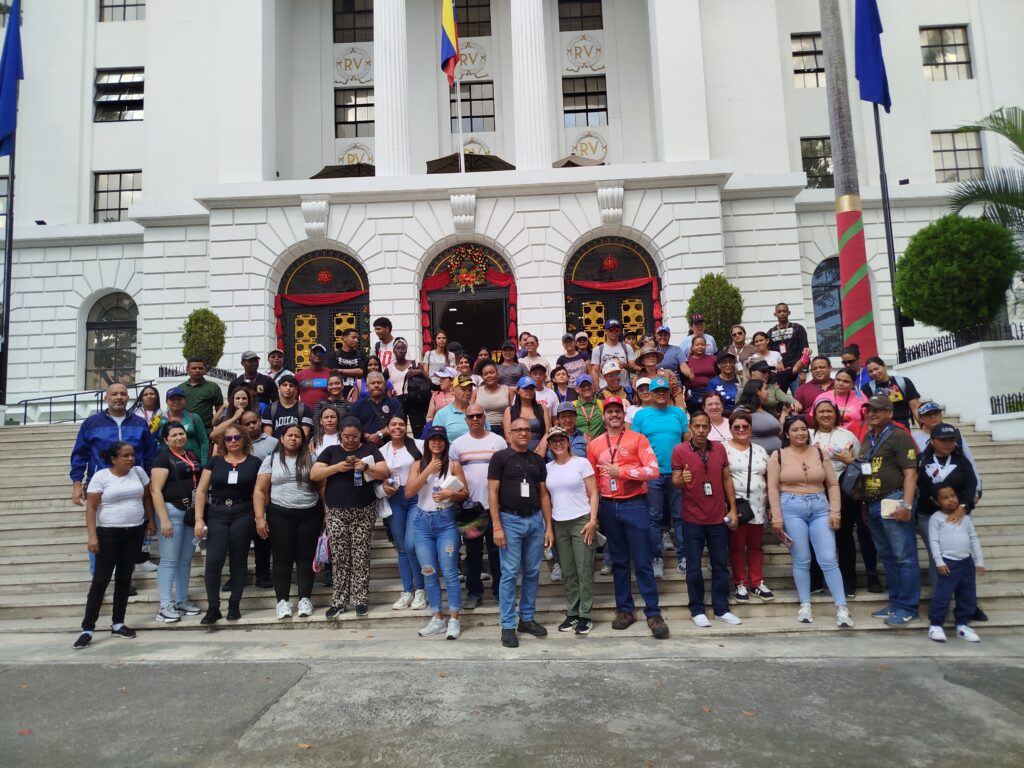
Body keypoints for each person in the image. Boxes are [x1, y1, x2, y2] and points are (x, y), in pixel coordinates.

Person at [589, 397, 669, 638]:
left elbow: (653, 470)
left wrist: (622, 471)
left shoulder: (638, 438)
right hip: (608, 507)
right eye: (609, 411)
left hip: (635, 504)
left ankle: (653, 612)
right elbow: (592, 483)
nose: (614, 415)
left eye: (617, 411)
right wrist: (594, 513)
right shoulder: (595, 444)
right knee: (619, 562)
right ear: (604, 416)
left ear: (623, 414)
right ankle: (624, 610)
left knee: (643, 561)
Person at [767, 415, 851, 626]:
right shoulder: (778, 455)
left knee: (828, 558)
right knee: (802, 559)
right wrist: (777, 517)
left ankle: (842, 607)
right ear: (787, 434)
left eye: (804, 429)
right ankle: (805, 604)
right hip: (791, 507)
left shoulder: (820, 453)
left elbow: (832, 484)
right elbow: (772, 487)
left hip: (820, 506)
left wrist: (835, 512)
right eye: (795, 430)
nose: (800, 433)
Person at [71, 383, 159, 581]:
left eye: (123, 394)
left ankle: (125, 579)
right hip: (101, 485)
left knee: (131, 531)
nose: (119, 397)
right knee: (100, 531)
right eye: (114, 394)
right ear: (106, 398)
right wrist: (77, 483)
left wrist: (150, 481)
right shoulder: (92, 423)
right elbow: (80, 453)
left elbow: (149, 454)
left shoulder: (139, 423)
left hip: (133, 485)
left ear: (128, 398)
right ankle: (98, 580)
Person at [73, 442, 154, 649]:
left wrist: (150, 520)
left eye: (132, 455)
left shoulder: (138, 473)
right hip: (108, 533)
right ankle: (87, 628)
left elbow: (147, 497)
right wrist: (92, 536)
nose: (131, 458)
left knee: (124, 578)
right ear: (113, 459)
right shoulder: (101, 477)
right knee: (101, 580)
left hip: (134, 531)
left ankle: (118, 623)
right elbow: (91, 508)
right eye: (125, 456)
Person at [311, 415, 388, 618]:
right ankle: (339, 601)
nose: (351, 440)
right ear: (340, 435)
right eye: (346, 436)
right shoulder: (331, 451)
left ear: (360, 434)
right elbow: (314, 474)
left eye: (354, 436)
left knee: (361, 555)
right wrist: (337, 467)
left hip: (364, 510)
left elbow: (384, 472)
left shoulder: (370, 450)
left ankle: (360, 599)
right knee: (340, 557)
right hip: (336, 511)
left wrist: (366, 467)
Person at [672, 411, 742, 627]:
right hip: (692, 518)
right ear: (690, 428)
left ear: (710, 428)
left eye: (705, 426)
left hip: (717, 517)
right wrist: (682, 479)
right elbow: (675, 481)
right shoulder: (680, 450)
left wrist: (732, 509)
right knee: (694, 566)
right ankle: (697, 609)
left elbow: (727, 479)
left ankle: (721, 608)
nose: (701, 430)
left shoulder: (719, 448)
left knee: (720, 565)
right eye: (697, 426)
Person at [488, 417, 553, 648]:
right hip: (510, 521)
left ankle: (526, 619)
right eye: (519, 430)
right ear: (510, 433)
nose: (524, 433)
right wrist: (496, 525)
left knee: (533, 571)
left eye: (527, 429)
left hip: (534, 521)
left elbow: (543, 494)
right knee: (509, 573)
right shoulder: (500, 458)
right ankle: (508, 625)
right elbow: (492, 493)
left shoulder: (537, 459)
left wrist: (548, 527)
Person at [858, 395, 921, 626]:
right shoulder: (868, 438)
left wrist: (907, 504)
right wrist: (864, 505)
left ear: (890, 413)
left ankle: (908, 607)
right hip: (873, 502)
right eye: (868, 410)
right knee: (887, 556)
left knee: (903, 556)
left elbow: (910, 473)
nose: (871, 414)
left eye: (877, 410)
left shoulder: (899, 435)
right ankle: (896, 602)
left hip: (894, 499)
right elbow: (865, 471)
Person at [194, 424, 262, 624]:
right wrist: (199, 518)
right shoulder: (215, 462)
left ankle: (234, 605)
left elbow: (260, 491)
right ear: (223, 442)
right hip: (218, 513)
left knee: (239, 561)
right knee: (214, 561)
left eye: (237, 437)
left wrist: (260, 516)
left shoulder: (254, 462)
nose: (233, 441)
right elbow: (201, 491)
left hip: (243, 512)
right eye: (228, 438)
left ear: (244, 439)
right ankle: (213, 607)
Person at [406, 425, 469, 639]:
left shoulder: (453, 464)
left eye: (440, 439)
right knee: (428, 571)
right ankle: (437, 617)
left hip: (446, 521)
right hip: (422, 522)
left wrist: (450, 493)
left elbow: (465, 493)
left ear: (445, 443)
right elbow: (409, 492)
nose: (436, 442)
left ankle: (454, 619)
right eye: (432, 439)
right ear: (427, 442)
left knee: (449, 571)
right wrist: (428, 469)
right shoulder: (417, 465)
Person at [253, 425, 323, 620]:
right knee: (282, 558)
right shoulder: (271, 459)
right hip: (280, 513)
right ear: (281, 439)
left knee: (306, 557)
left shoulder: (312, 459)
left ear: (302, 440)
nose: (293, 439)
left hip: (310, 513)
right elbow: (260, 490)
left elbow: (321, 486)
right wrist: (259, 518)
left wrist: (326, 512)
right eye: (289, 435)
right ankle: (282, 601)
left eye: (297, 436)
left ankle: (305, 599)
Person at [810, 400, 875, 598]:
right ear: (815, 415)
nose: (825, 415)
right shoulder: (808, 435)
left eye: (829, 411)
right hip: (813, 490)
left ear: (836, 414)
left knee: (844, 537)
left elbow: (862, 466)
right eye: (821, 411)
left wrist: (849, 461)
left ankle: (848, 582)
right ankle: (816, 582)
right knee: (815, 537)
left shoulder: (847, 435)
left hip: (843, 490)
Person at [631, 377, 689, 579]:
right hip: (652, 473)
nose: (661, 394)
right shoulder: (641, 415)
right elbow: (635, 445)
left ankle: (684, 556)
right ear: (651, 393)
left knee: (680, 516)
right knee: (654, 517)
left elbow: (686, 441)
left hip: (676, 472)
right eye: (657, 391)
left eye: (665, 391)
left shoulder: (678, 413)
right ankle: (656, 557)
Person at [450, 404, 507, 609]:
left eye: (478, 415)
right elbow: (452, 475)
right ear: (466, 420)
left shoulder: (498, 441)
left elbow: (506, 471)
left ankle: (500, 592)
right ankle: (474, 592)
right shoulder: (458, 444)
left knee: (496, 552)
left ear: (484, 418)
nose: (475, 419)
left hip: (495, 507)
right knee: (473, 553)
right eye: (471, 416)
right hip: (470, 508)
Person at [545, 426, 600, 634]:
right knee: (568, 571)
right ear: (549, 445)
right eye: (553, 440)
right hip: (559, 522)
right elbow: (546, 498)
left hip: (581, 520)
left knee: (584, 569)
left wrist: (593, 520)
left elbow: (593, 493)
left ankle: (585, 614)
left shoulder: (581, 463)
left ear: (568, 442)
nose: (558, 443)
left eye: (561, 439)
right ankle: (573, 612)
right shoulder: (548, 468)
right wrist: (549, 527)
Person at [916, 422, 979, 590]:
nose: (948, 443)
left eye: (951, 440)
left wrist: (963, 507)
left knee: (961, 555)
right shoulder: (921, 460)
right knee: (937, 555)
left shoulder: (962, 461)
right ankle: (941, 598)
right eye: (943, 440)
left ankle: (965, 598)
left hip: (957, 514)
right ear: (932, 441)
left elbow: (971, 486)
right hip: (928, 516)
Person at [150, 422, 201, 623]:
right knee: (169, 560)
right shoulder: (163, 458)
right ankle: (165, 605)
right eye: (174, 435)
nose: (179, 437)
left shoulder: (192, 455)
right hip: (172, 511)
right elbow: (155, 490)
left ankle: (182, 600)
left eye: (181, 433)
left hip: (190, 512)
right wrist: (164, 520)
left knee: (185, 559)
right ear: (166, 439)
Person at [926, 483, 985, 643]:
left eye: (953, 496)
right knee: (943, 595)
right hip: (948, 564)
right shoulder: (936, 519)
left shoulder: (965, 517)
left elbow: (973, 538)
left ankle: (963, 625)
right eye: (945, 498)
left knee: (967, 595)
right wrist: (939, 562)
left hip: (966, 563)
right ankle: (936, 625)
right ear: (937, 502)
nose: (951, 500)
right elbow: (934, 541)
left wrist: (979, 560)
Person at [725, 410, 773, 602]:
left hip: (758, 504)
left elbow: (769, 477)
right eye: (736, 427)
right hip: (736, 505)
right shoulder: (723, 449)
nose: (741, 430)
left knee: (755, 546)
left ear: (751, 428)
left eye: (745, 426)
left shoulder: (760, 450)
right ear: (730, 429)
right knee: (737, 546)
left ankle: (757, 582)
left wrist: (770, 505)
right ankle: (740, 583)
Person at [380, 415, 427, 611]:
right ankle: (407, 591)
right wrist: (383, 488)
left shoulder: (419, 445)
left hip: (415, 496)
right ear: (387, 428)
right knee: (401, 547)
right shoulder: (381, 451)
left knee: (410, 544)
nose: (398, 427)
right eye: (393, 424)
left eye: (401, 424)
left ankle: (420, 590)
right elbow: (377, 477)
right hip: (395, 498)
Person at [913, 401, 982, 499]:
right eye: (928, 415)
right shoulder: (913, 438)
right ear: (920, 418)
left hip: (957, 492)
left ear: (941, 416)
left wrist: (977, 489)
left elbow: (969, 459)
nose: (933, 417)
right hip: (927, 494)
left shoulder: (955, 434)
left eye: (936, 413)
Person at [861, 356, 921, 428]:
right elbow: (867, 412)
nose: (874, 373)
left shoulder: (903, 382)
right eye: (870, 371)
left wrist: (923, 426)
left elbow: (915, 408)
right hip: (880, 427)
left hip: (902, 426)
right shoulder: (867, 388)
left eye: (876, 369)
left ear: (884, 366)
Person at [353, 371, 405, 448]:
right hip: (364, 447)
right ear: (367, 386)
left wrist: (380, 434)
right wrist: (364, 435)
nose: (376, 385)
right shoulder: (358, 404)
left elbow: (398, 423)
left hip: (390, 446)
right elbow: (351, 423)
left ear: (384, 386)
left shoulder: (394, 403)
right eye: (373, 383)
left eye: (379, 383)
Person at [813, 368, 868, 438]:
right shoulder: (822, 397)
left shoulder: (860, 396)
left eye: (846, 381)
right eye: (838, 380)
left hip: (855, 436)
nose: (840, 384)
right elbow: (815, 419)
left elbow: (867, 419)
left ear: (853, 384)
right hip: (828, 436)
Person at [765, 302, 809, 390]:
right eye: (779, 311)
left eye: (784, 311)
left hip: (796, 371)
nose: (782, 313)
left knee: (798, 397)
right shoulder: (770, 332)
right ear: (775, 314)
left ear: (789, 313)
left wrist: (804, 371)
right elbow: (768, 352)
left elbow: (805, 350)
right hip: (779, 372)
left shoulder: (797, 328)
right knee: (779, 397)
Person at [432, 373, 483, 444]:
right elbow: (436, 440)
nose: (468, 393)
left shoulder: (479, 411)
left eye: (470, 389)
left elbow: (487, 434)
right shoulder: (442, 414)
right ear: (453, 390)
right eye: (464, 389)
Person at [503, 376, 550, 451]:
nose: (529, 391)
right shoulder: (509, 411)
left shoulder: (543, 408)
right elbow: (508, 437)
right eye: (525, 388)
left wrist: (539, 450)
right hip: (517, 451)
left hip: (540, 450)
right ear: (518, 391)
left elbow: (548, 432)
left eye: (532, 388)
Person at [735, 379, 782, 454]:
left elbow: (780, 431)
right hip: (756, 456)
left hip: (777, 455)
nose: (768, 392)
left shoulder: (766, 411)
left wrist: (785, 412)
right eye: (765, 389)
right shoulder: (742, 411)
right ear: (758, 391)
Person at [262, 374, 314, 439]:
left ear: (295, 389)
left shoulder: (305, 409)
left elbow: (305, 435)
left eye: (291, 386)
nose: (288, 388)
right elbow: (268, 436)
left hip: (297, 444)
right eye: (284, 385)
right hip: (276, 445)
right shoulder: (269, 409)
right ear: (279, 388)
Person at [178, 358, 223, 431]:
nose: (197, 370)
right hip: (185, 430)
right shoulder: (180, 388)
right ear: (187, 370)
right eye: (194, 368)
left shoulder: (213, 387)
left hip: (206, 430)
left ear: (205, 370)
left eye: (200, 368)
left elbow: (220, 411)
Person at [472, 361, 513, 439]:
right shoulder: (476, 392)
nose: (489, 376)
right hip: (482, 429)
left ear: (497, 374)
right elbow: (471, 412)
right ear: (482, 377)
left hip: (504, 429)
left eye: (491, 372)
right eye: (485, 374)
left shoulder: (508, 390)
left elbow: (513, 411)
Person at [590, 318, 635, 386]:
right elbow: (594, 371)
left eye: (617, 330)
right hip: (604, 388)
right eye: (611, 330)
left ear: (620, 332)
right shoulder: (598, 349)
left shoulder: (627, 348)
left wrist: (625, 365)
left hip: (623, 388)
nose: (614, 332)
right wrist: (597, 388)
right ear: (605, 332)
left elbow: (633, 369)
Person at [679, 335, 716, 412]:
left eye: (702, 344)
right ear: (692, 347)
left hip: (711, 391)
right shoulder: (686, 361)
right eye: (697, 345)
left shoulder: (713, 359)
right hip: (693, 393)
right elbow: (682, 379)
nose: (700, 347)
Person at [327, 329, 367, 398]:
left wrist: (341, 371)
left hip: (357, 393)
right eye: (353, 337)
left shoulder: (361, 355)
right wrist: (354, 371)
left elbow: (362, 372)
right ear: (344, 338)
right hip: (339, 393)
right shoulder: (334, 355)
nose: (356, 340)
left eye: (357, 338)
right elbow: (332, 373)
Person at [794, 356, 834, 425]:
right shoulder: (803, 389)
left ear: (830, 368)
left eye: (822, 367)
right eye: (814, 369)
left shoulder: (839, 386)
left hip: (838, 428)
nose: (818, 370)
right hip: (811, 429)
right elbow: (794, 411)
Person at [295, 344, 332, 409]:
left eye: (321, 353)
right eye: (315, 352)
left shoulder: (331, 373)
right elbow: (294, 397)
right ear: (309, 357)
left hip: (326, 412)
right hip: (304, 412)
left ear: (324, 358)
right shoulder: (299, 375)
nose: (318, 354)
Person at [705, 350, 741, 414]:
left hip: (740, 415)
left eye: (731, 361)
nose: (728, 364)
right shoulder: (713, 383)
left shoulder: (741, 380)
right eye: (724, 362)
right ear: (718, 365)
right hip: (721, 415)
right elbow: (709, 402)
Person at [573, 375, 605, 441]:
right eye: (582, 385)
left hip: (600, 444)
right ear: (577, 389)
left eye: (589, 384)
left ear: (593, 387)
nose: (586, 387)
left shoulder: (602, 404)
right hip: (580, 445)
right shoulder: (572, 406)